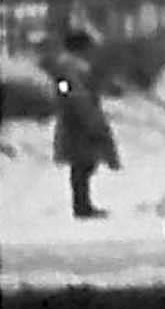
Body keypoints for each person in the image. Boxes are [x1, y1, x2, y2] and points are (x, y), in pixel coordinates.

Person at [48, 32, 117, 220]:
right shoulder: (70, 69)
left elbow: (66, 92)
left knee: (84, 164)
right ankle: (82, 206)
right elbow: (73, 94)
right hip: (77, 122)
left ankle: (83, 204)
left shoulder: (73, 68)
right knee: (81, 164)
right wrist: (88, 117)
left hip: (77, 120)